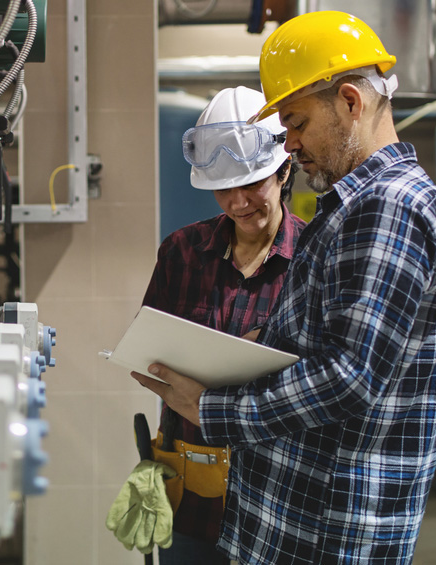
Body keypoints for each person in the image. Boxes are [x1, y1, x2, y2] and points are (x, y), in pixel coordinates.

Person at [132, 11, 436, 565]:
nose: (289, 143)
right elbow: (330, 346)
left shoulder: (389, 207)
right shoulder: (353, 208)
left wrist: (210, 408)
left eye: (297, 122)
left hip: (331, 530)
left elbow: (349, 376)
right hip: (299, 524)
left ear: (351, 102)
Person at [110, 86, 306, 562]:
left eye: (251, 185)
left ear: (283, 172)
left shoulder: (314, 256)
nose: (238, 203)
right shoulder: (181, 252)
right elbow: (149, 345)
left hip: (279, 495)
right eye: (223, 188)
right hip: (191, 494)